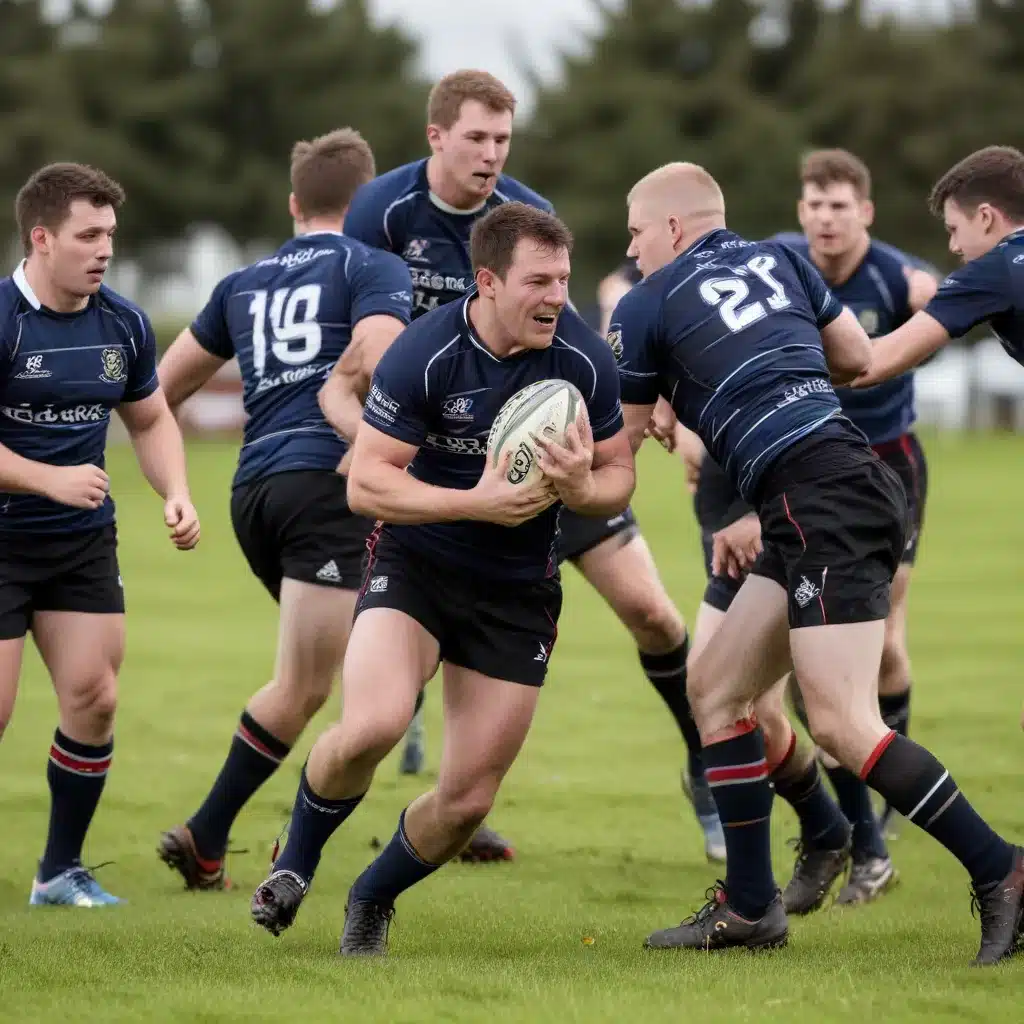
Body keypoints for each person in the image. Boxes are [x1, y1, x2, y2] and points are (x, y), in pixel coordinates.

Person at [612, 161, 1023, 965]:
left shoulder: (646, 302)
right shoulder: (781, 259)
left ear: (672, 227)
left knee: (839, 721)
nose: (631, 250)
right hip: (829, 488)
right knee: (716, 689)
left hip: (824, 501)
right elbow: (856, 358)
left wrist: (552, 473)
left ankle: (1001, 869)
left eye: (635, 232)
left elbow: (617, 459)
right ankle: (750, 907)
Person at [339, 68, 721, 864]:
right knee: (406, 639)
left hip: (541, 446)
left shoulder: (527, 213)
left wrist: (642, 398)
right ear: (436, 137)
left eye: (502, 140)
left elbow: (569, 327)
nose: (490, 154)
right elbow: (369, 328)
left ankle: (706, 766)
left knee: (653, 613)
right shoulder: (384, 209)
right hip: (436, 452)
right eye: (476, 138)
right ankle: (435, 800)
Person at [250, 202, 634, 956]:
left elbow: (620, 473)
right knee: (373, 725)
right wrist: (474, 503)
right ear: (487, 282)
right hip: (417, 565)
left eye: (563, 279)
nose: (557, 296)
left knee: (466, 803)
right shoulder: (426, 352)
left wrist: (584, 488)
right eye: (538, 282)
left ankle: (372, 897)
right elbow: (366, 483)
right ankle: (295, 860)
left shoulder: (584, 358)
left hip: (518, 588)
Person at [154, 129, 413, 890]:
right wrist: (366, 432)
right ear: (365, 203)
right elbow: (382, 356)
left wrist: (173, 484)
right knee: (313, 685)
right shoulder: (371, 264)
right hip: (325, 488)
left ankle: (226, 835)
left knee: (376, 656)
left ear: (294, 203)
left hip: (254, 492)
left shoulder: (242, 283)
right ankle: (223, 836)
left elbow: (156, 392)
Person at [0, 163, 200, 906]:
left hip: (80, 542)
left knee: (94, 698)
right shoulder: (4, 320)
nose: (104, 250)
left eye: (110, 235)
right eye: (88, 235)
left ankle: (59, 872)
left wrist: (176, 492)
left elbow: (149, 419)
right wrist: (45, 478)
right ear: (42, 238)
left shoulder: (123, 323)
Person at [854, 145, 1024, 383]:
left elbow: (871, 365)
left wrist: (803, 355)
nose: (954, 246)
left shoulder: (993, 269)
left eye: (954, 229)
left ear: (985, 217)